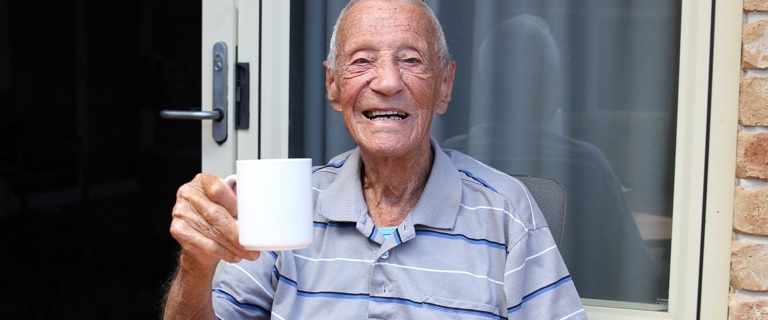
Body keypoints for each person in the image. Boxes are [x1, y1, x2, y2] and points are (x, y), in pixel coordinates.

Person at [162, 0, 586, 319]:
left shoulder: (506, 211)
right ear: (333, 86)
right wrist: (196, 266)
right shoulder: (290, 206)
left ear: (444, 86)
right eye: (362, 61)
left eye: (411, 60)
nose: (387, 82)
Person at [442, 14, 667, 303]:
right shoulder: (588, 164)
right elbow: (637, 274)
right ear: (551, 84)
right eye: (554, 77)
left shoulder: (451, 161)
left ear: (486, 87)